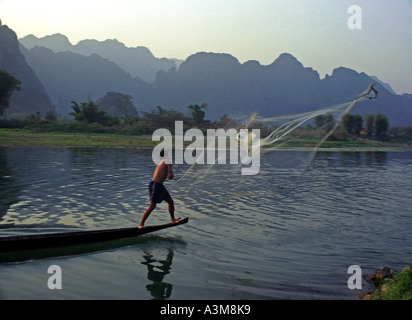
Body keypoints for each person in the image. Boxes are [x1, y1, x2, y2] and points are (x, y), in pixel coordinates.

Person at [139, 150, 180, 228]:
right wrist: (170, 176)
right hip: (156, 185)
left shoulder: (161, 162)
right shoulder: (167, 161)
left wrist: (166, 176)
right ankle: (141, 224)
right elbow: (170, 175)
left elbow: (161, 174)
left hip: (158, 185)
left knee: (170, 201)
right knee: (152, 206)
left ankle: (173, 220)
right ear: (167, 155)